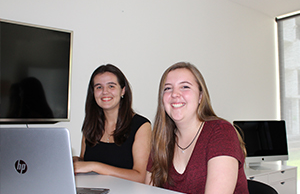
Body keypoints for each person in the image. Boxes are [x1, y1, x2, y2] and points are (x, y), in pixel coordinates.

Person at [145, 62, 249, 194]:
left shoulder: (221, 132)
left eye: (185, 86)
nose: (175, 94)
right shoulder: (161, 139)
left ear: (200, 96)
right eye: (168, 88)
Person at [73, 64, 151, 183]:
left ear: (123, 90)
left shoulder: (141, 126)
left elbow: (139, 177)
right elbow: (85, 161)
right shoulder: (91, 124)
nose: (105, 92)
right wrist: (73, 161)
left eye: (111, 86)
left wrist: (95, 166)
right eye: (99, 87)